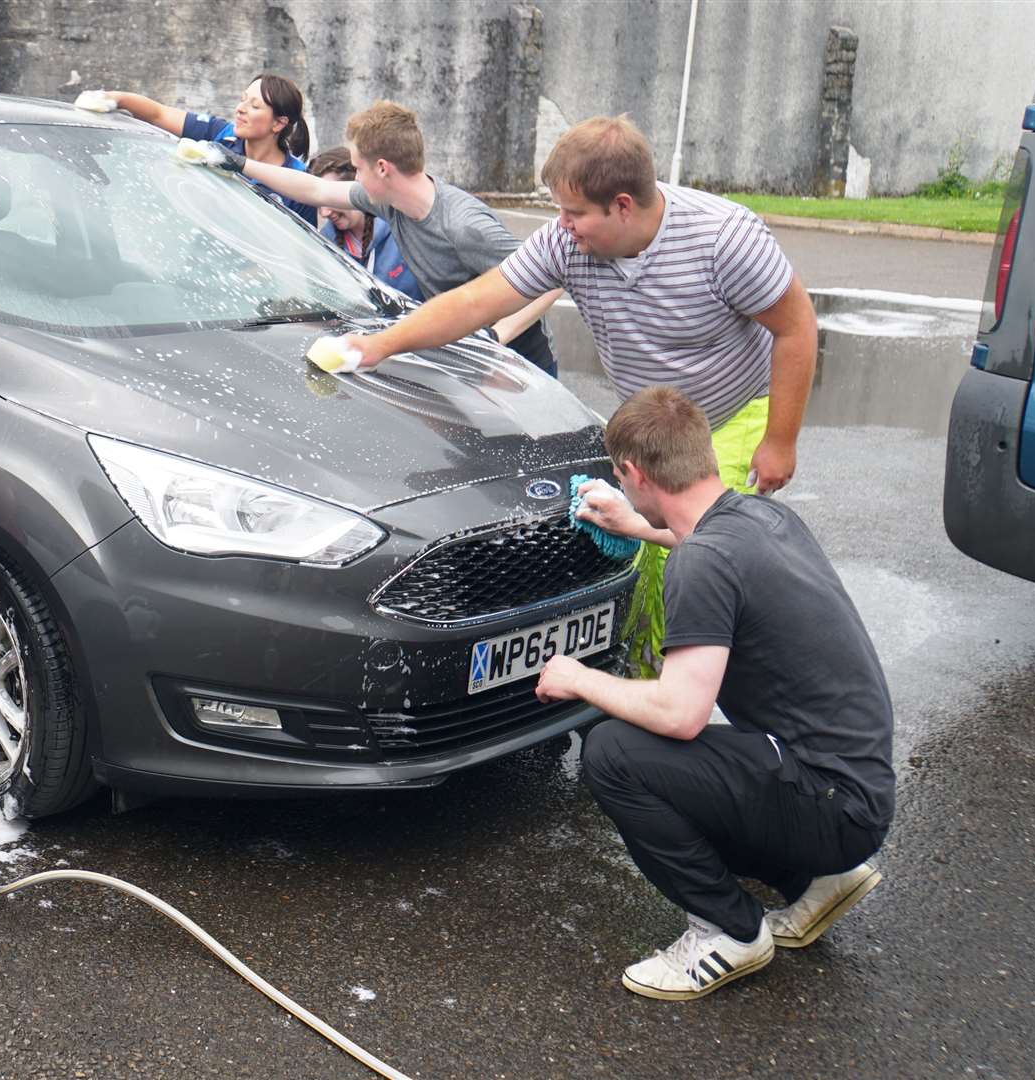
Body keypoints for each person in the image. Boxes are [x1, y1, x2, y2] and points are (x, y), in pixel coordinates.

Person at [334, 115, 818, 674]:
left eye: (573, 212)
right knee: (637, 552)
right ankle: (644, 672)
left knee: (694, 553)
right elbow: (477, 302)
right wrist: (380, 346)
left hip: (734, 416)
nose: (561, 226)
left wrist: (780, 440)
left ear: (621, 206)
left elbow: (796, 326)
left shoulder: (723, 240)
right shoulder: (569, 244)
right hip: (653, 423)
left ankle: (686, 687)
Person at [535, 387, 892, 1001]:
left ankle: (730, 931)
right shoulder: (761, 517)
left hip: (835, 807)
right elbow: (709, 552)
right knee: (662, 748)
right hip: (856, 787)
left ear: (634, 474)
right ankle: (815, 882)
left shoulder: (701, 565)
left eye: (619, 479)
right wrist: (639, 526)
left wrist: (577, 677)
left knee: (613, 752)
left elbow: (680, 715)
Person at [191, 100, 560, 373]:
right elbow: (316, 190)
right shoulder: (389, 202)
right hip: (466, 352)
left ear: (382, 168)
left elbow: (550, 278)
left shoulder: (464, 225)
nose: (354, 175)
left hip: (520, 363)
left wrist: (496, 338)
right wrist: (239, 164)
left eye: (356, 167)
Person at [92, 75, 319, 226]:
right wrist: (115, 98)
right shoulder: (221, 136)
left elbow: (306, 254)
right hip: (203, 264)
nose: (240, 109)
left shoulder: (297, 181)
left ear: (278, 123)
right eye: (242, 100)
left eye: (254, 106)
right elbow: (158, 114)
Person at [307, 146, 421, 301]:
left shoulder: (402, 229)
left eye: (329, 200)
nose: (324, 213)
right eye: (319, 204)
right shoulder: (325, 242)